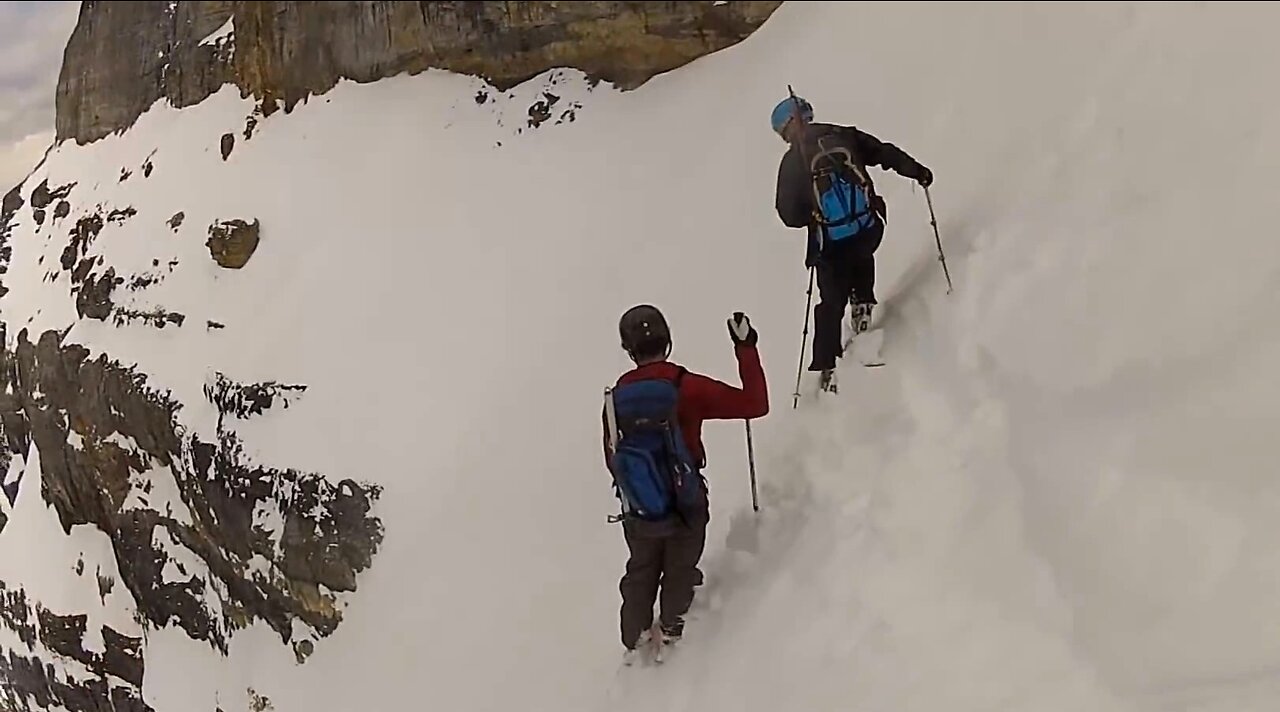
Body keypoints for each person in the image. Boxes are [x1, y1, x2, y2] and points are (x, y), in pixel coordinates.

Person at [601, 304, 769, 660]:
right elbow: (755, 404)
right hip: (686, 500)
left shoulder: (615, 400)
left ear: (628, 349)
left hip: (640, 510)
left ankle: (635, 639)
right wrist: (746, 346)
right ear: (668, 340)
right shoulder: (684, 386)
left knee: (641, 568)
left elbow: (613, 459)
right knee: (679, 566)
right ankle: (673, 628)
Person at [771, 94, 934, 390]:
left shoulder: (793, 161)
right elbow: (884, 153)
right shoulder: (843, 135)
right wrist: (918, 172)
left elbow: (788, 214)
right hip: (868, 228)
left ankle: (827, 366)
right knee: (862, 253)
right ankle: (862, 305)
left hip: (830, 244)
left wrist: (813, 215)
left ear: (786, 129)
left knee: (830, 302)